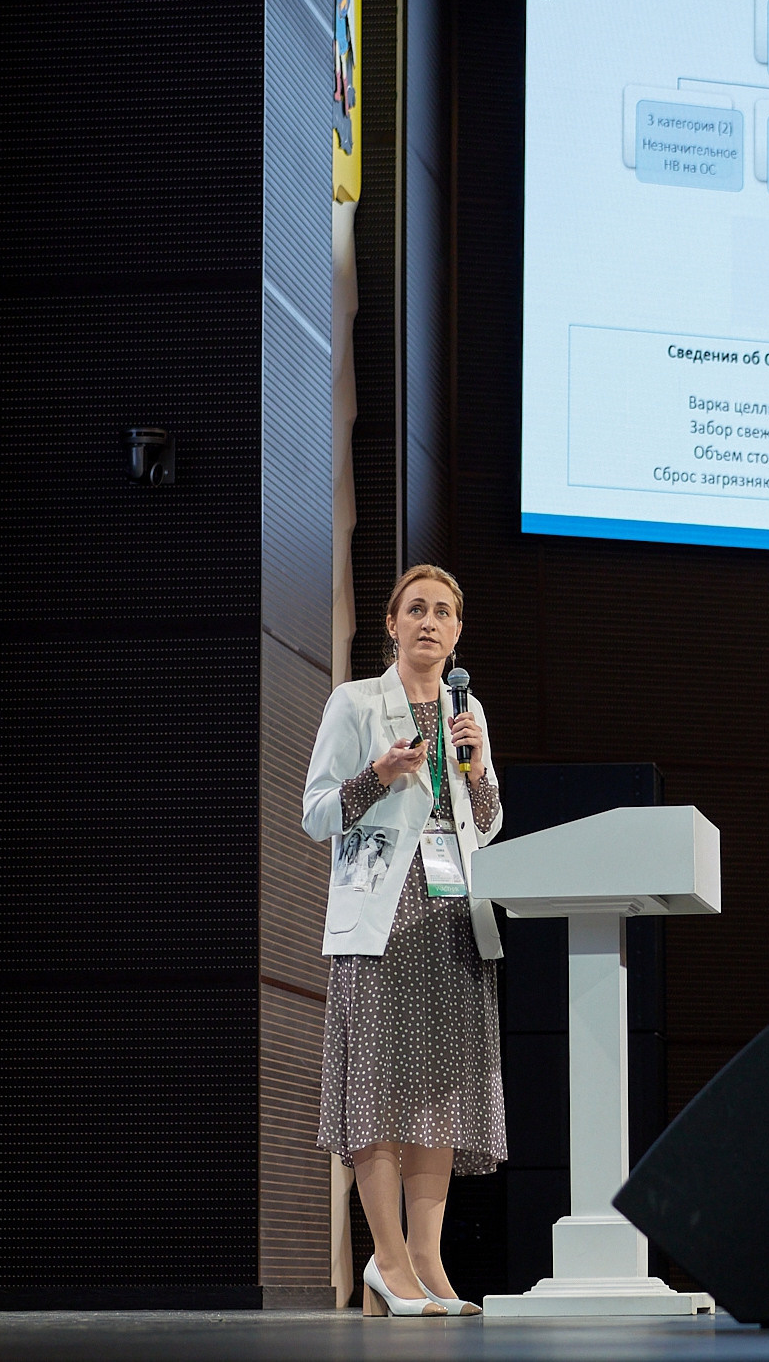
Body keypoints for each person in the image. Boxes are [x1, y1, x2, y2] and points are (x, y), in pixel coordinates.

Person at [302, 564, 505, 1317]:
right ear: (391, 623)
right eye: (415, 608)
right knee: (381, 1092)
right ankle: (384, 1260)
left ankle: (426, 1261)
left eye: (443, 611)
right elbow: (316, 811)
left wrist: (478, 771)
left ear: (457, 631)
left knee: (439, 1093)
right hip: (383, 915)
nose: (429, 621)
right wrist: (376, 776)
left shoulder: (467, 707)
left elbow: (485, 821)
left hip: (452, 910)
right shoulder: (355, 702)